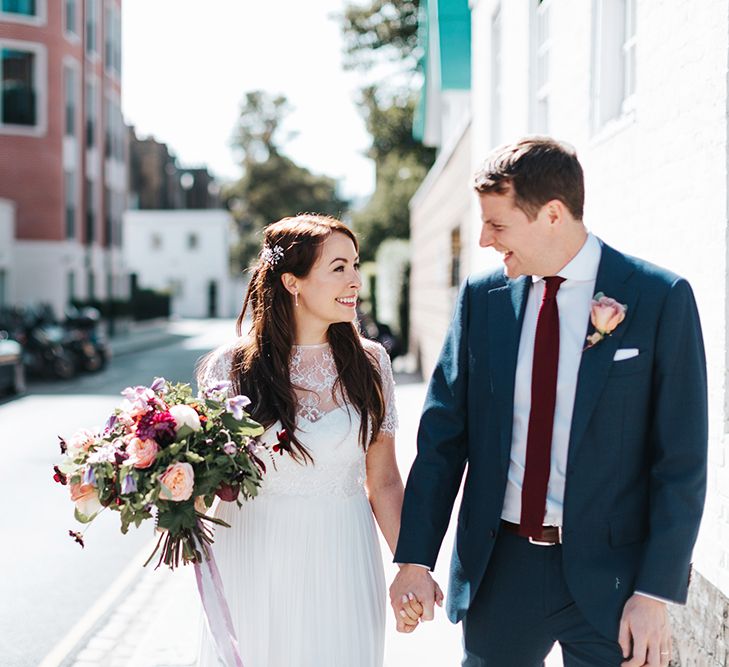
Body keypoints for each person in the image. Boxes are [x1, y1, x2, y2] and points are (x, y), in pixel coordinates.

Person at [390, 137, 708, 667]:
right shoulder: (482, 299)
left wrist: (654, 593)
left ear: (553, 215)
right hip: (501, 567)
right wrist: (415, 558)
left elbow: (681, 462)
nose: (486, 240)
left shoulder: (658, 297)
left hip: (615, 579)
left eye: (498, 224)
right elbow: (443, 438)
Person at [196, 214, 420, 667]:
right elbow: (206, 484)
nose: (355, 279)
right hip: (255, 555)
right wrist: (167, 487)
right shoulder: (230, 368)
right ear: (292, 281)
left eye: (356, 265)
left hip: (344, 554)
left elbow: (385, 482)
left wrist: (410, 565)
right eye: (339, 267)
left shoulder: (371, 362)